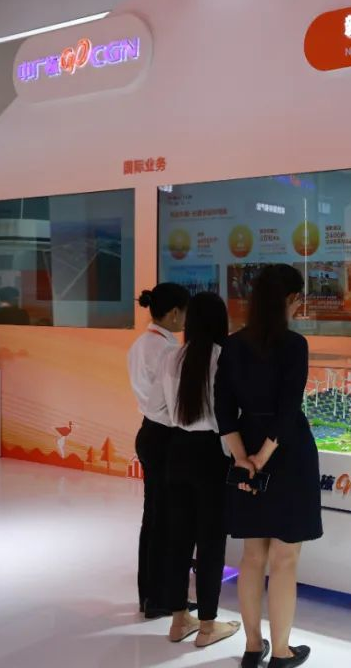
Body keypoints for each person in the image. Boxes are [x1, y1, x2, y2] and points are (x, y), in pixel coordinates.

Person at [217, 264, 319, 668]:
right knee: (285, 558)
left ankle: (251, 647)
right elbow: (288, 409)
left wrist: (243, 458)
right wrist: (262, 457)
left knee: (252, 556)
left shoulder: (232, 345)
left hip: (245, 445)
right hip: (288, 452)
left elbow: (223, 408)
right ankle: (281, 651)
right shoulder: (294, 345)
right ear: (292, 299)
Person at [146, 291, 242, 647]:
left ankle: (178, 620)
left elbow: (155, 408)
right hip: (212, 454)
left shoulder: (171, 356)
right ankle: (207, 625)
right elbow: (232, 414)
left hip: (177, 450)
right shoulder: (223, 357)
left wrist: (178, 419)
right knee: (211, 542)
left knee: (178, 539)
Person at [128, 282, 190, 619]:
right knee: (167, 518)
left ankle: (150, 595)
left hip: (149, 432)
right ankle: (163, 597)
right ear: (175, 312)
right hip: (166, 435)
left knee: (153, 517)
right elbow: (176, 402)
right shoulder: (168, 350)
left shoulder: (141, 344)